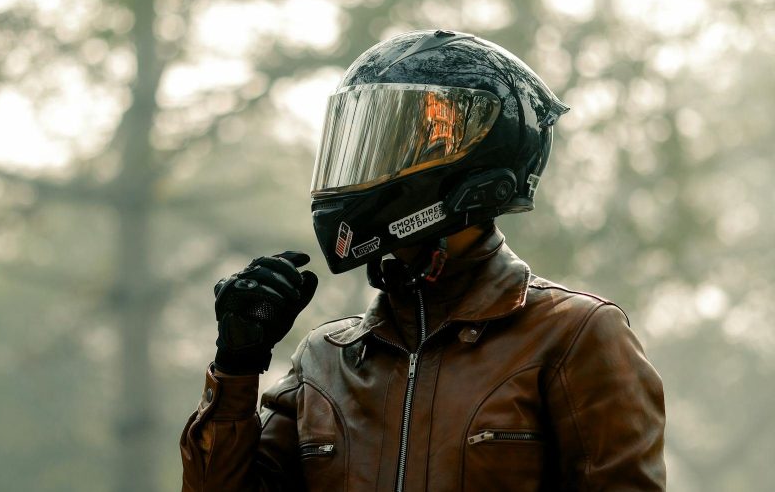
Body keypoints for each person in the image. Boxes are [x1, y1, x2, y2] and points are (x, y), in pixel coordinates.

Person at [180, 30, 666, 491]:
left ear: (469, 158)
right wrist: (236, 367)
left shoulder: (574, 335)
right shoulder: (324, 360)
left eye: (391, 144)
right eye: (359, 143)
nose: (364, 168)